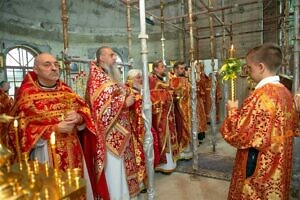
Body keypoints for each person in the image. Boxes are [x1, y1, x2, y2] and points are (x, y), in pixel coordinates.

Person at [7, 53, 109, 199]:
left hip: (74, 151)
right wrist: (53, 129)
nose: (54, 68)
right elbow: (16, 130)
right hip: (44, 154)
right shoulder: (26, 95)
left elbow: (85, 111)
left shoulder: (67, 91)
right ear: (36, 70)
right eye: (47, 65)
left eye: (56, 64)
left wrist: (79, 117)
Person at [220, 43, 297, 200]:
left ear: (261, 67)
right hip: (279, 162)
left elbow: (238, 135)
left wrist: (233, 110)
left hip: (259, 163)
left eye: (249, 67)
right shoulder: (286, 93)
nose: (248, 72)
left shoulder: (260, 96)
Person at [86, 46, 140, 199]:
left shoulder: (106, 76)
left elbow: (112, 96)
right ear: (101, 58)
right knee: (114, 171)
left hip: (120, 129)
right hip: (109, 135)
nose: (115, 58)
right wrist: (124, 103)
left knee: (121, 168)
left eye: (115, 55)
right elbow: (99, 107)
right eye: (111, 55)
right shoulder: (97, 79)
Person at [149, 59, 179, 173]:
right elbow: (152, 96)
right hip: (159, 114)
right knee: (163, 137)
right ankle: (163, 162)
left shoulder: (161, 79)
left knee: (170, 135)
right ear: (155, 68)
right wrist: (167, 94)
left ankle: (170, 161)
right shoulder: (151, 80)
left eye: (164, 66)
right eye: (162, 66)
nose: (164, 68)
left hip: (167, 112)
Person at [169, 61, 192, 159]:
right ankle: (181, 149)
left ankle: (186, 148)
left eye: (184, 68)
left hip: (187, 107)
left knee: (187, 127)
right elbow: (174, 94)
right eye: (181, 68)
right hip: (179, 108)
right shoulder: (173, 80)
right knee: (181, 128)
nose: (183, 70)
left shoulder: (185, 79)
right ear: (175, 69)